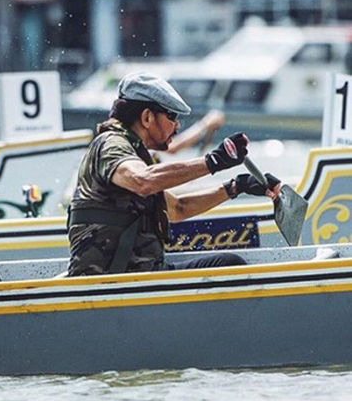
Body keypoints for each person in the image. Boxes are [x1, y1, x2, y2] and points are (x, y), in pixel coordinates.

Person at [66, 71, 280, 276]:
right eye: (172, 116)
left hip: (137, 274)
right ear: (147, 117)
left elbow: (178, 208)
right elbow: (144, 180)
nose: (177, 126)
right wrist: (213, 161)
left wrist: (236, 187)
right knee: (230, 266)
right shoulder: (111, 145)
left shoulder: (133, 153)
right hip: (116, 279)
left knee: (227, 264)